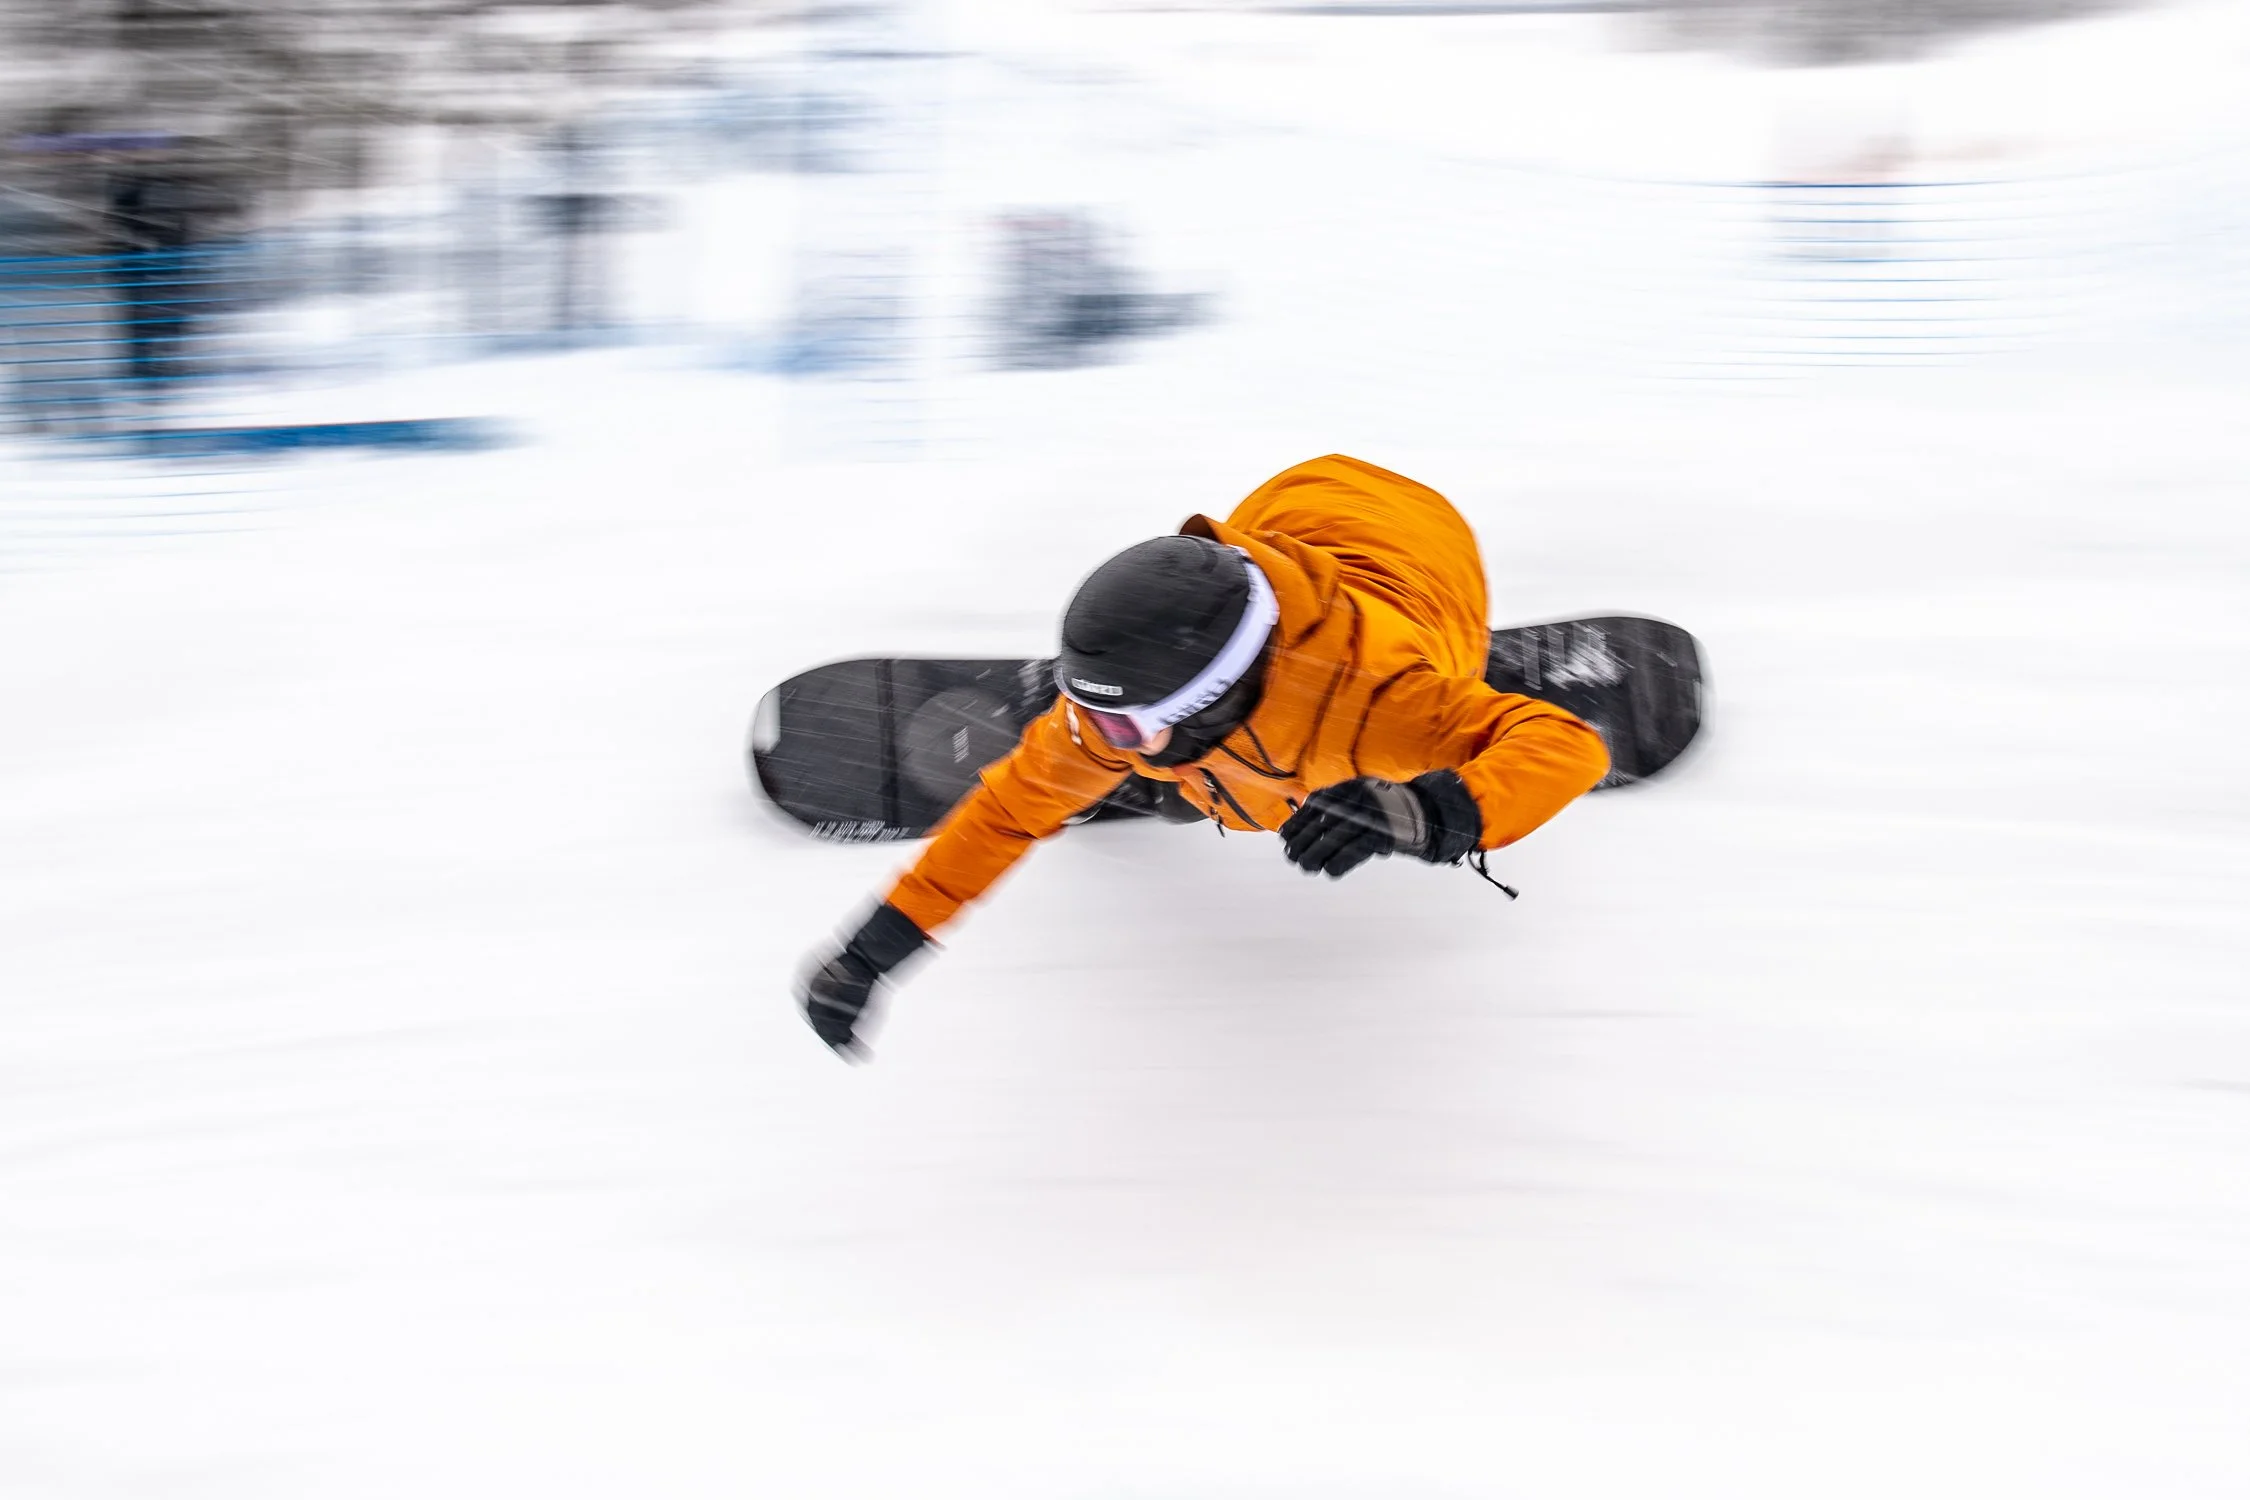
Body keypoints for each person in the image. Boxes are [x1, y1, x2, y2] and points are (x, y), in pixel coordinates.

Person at [798, 454, 1612, 1059]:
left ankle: (1431, 707)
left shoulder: (1383, 704)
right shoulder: (1113, 725)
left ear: (1210, 700)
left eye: (1119, 728)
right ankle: (1197, 784)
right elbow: (1011, 810)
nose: (1089, 737)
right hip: (1293, 505)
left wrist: (1429, 810)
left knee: (1396, 732)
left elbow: (1568, 746)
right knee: (1155, 768)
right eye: (1084, 712)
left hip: (1426, 549)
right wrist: (874, 949)